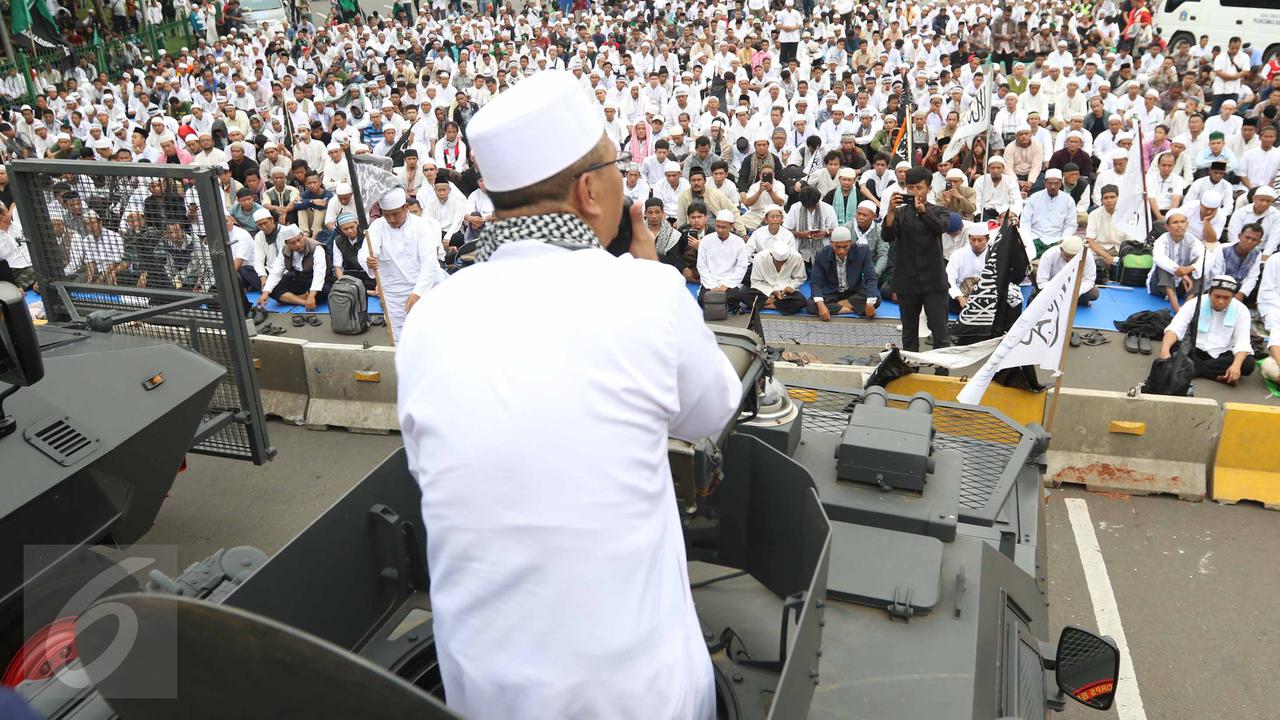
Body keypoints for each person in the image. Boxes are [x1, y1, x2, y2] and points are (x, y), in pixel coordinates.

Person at [396, 70, 739, 720]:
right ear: (588, 190)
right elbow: (714, 408)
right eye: (615, 166)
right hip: (641, 702)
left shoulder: (430, 319)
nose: (622, 183)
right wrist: (648, 272)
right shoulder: (646, 295)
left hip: (482, 699)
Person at [364, 188, 447, 342]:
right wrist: (369, 260)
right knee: (398, 333)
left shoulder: (422, 226)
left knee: (428, 330)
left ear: (405, 208)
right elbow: (367, 251)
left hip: (423, 287)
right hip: (392, 290)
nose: (391, 219)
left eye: (395, 214)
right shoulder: (377, 226)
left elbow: (429, 263)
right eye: (387, 215)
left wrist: (418, 293)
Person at [883, 166, 952, 350]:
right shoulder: (899, 213)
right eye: (911, 188)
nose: (915, 192)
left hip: (934, 280)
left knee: (940, 331)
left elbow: (940, 228)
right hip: (907, 280)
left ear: (929, 189)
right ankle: (910, 369)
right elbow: (887, 236)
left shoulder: (939, 211)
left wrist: (922, 211)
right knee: (909, 332)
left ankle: (941, 371)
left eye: (919, 188)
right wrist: (890, 210)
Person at [1158, 275, 1255, 385]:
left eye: (1226, 298)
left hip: (1222, 353)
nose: (1221, 301)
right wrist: (1164, 351)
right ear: (1209, 294)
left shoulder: (1242, 310)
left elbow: (1242, 342)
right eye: (1217, 296)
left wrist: (1236, 366)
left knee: (1247, 364)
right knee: (1172, 347)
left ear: (1233, 297)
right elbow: (1175, 328)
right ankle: (1212, 374)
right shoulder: (1194, 303)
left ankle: (1191, 369)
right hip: (1195, 350)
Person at [808, 225, 880, 320]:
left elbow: (870, 277)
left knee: (876, 299)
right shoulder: (822, 254)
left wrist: (870, 303)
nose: (841, 251)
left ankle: (836, 307)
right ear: (831, 243)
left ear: (850, 242)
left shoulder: (862, 251)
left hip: (853, 291)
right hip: (832, 291)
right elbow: (816, 282)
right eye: (837, 247)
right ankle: (855, 309)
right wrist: (821, 305)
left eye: (845, 247)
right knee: (812, 305)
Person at [255, 224, 331, 311]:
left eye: (299, 240)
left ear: (303, 236)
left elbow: (319, 274)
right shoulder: (284, 250)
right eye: (292, 243)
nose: (297, 244)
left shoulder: (316, 248)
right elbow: (276, 272)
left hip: (320, 279)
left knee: (324, 290)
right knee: (271, 288)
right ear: (286, 243)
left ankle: (293, 298)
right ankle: (304, 302)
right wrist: (265, 293)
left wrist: (312, 295)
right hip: (299, 278)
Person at [1149, 208, 1205, 312]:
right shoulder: (1162, 240)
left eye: (1182, 222)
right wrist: (1182, 273)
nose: (1180, 225)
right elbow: (1159, 258)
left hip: (1183, 287)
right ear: (1167, 226)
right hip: (1159, 287)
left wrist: (1190, 268)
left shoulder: (1193, 241)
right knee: (1163, 267)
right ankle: (1177, 309)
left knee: (1200, 267)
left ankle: (1187, 307)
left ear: (1187, 224)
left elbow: (1205, 258)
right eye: (1175, 222)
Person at [697, 208, 751, 313]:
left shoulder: (739, 242)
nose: (720, 230)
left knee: (736, 296)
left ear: (731, 226)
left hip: (729, 282)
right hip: (710, 281)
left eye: (723, 227)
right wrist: (712, 286)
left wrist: (726, 285)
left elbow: (742, 267)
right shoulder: (706, 240)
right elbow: (701, 266)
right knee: (703, 299)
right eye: (718, 226)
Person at [1020, 169, 1079, 259]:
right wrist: (1028, 240)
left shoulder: (1068, 200)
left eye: (1056, 183)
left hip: (1057, 240)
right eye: (1050, 183)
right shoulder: (1034, 198)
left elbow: (1070, 225)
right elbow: (1025, 221)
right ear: (1045, 183)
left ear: (1060, 183)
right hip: (1034, 238)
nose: (1052, 186)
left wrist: (1063, 239)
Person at [745, 243, 808, 315]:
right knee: (744, 294)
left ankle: (763, 305)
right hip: (765, 290)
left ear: (789, 256)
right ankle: (780, 305)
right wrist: (772, 292)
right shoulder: (760, 257)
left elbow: (800, 278)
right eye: (777, 262)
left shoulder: (796, 257)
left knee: (801, 301)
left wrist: (790, 287)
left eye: (783, 262)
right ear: (771, 255)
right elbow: (756, 281)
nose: (780, 264)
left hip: (785, 292)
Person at [1037, 235, 1100, 305]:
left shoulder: (1087, 256)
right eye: (1067, 256)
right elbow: (1042, 282)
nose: (1070, 260)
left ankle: (1065, 301)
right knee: (1038, 293)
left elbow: (1089, 280)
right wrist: (1057, 291)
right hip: (1054, 288)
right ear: (1061, 249)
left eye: (1073, 257)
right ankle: (1072, 302)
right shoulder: (1049, 255)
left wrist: (1076, 292)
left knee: (1094, 293)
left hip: (1074, 288)